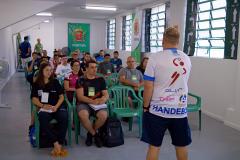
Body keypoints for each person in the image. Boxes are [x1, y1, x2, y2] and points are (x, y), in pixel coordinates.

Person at [141, 26, 192, 160]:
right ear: (178, 41)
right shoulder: (186, 58)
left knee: (154, 146)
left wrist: (146, 106)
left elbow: (148, 85)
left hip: (157, 110)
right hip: (180, 111)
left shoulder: (155, 58)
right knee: (182, 146)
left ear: (163, 40)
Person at [31, 63, 68, 156]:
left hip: (57, 107)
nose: (49, 72)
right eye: (47, 70)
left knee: (64, 117)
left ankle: (59, 143)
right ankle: (56, 143)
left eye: (51, 70)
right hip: (44, 108)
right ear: (41, 71)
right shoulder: (36, 84)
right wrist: (43, 106)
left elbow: (61, 97)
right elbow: (34, 99)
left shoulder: (55, 82)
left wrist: (56, 106)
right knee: (43, 119)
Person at [76, 60, 108, 147]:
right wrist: (92, 101)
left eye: (96, 67)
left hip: (98, 104)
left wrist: (103, 99)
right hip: (84, 103)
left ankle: (90, 133)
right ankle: (95, 135)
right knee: (83, 115)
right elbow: (80, 97)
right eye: (92, 67)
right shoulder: (81, 80)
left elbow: (105, 94)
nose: (95, 69)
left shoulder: (100, 79)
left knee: (103, 115)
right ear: (86, 69)